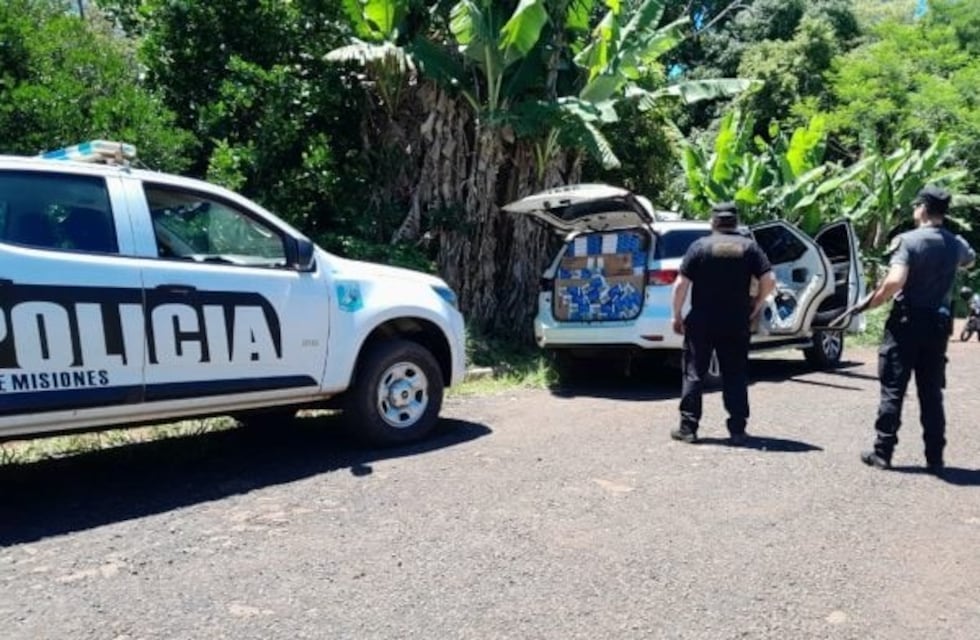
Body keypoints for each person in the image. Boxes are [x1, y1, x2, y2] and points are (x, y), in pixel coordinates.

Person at [857, 185, 975, 476]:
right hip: (938, 326)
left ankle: (883, 452)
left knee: (893, 388)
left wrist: (872, 302)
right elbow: (969, 260)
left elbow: (895, 281)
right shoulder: (955, 244)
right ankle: (935, 457)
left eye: (916, 206)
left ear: (922, 208)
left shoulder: (908, 241)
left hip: (906, 324)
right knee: (931, 392)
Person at [670, 202, 776, 445]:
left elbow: (680, 285)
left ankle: (688, 428)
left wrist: (676, 315)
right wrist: (757, 304)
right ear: (736, 222)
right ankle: (737, 430)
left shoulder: (699, 247)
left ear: (713, 222)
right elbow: (769, 279)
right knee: (735, 373)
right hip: (735, 321)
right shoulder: (750, 248)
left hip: (702, 321)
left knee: (694, 373)